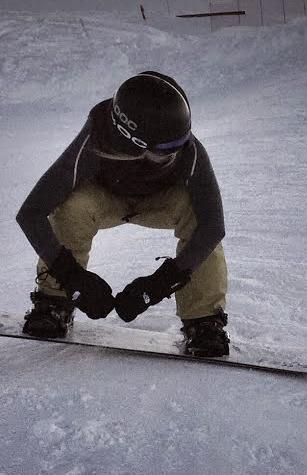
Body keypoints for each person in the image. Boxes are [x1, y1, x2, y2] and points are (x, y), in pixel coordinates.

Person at [15, 72, 230, 357]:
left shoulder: (188, 150)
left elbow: (214, 227)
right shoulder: (93, 141)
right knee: (71, 207)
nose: (174, 154)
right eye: (164, 150)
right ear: (130, 140)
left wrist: (158, 284)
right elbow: (31, 212)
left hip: (160, 203)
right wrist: (73, 279)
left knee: (200, 218)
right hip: (105, 200)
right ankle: (53, 303)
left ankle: (204, 321)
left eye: (180, 143)